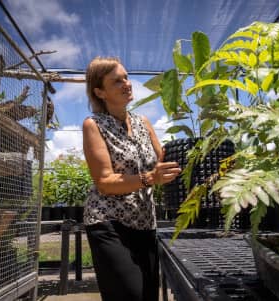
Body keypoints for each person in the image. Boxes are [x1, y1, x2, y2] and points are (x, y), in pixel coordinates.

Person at [82, 56, 181, 301]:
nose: (127, 83)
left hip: (145, 222)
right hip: (109, 222)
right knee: (129, 295)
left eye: (126, 77)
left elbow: (161, 162)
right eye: (117, 81)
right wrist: (149, 178)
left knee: (148, 296)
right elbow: (104, 182)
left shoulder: (143, 122)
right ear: (100, 92)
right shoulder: (94, 125)